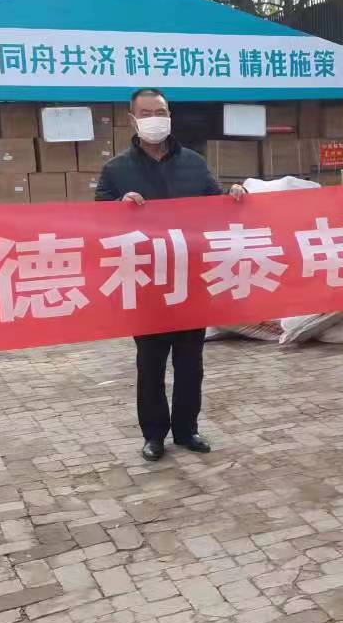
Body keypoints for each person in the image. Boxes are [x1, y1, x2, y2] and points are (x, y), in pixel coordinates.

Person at [96, 88, 246, 463]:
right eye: (146, 113)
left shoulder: (194, 163)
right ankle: (153, 435)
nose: (155, 119)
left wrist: (234, 195)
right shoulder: (116, 170)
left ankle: (186, 429)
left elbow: (216, 207)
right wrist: (119, 207)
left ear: (170, 115)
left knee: (190, 364)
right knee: (150, 365)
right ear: (132, 120)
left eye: (160, 112)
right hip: (146, 283)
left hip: (189, 281)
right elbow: (97, 222)